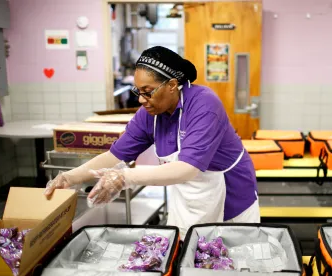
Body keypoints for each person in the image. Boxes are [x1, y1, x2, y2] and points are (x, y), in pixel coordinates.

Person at [44, 46, 260, 238]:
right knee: (190, 258)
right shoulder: (150, 112)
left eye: (147, 92)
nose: (140, 99)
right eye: (138, 91)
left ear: (173, 85)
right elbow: (115, 156)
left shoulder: (204, 104)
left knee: (227, 262)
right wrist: (70, 177)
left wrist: (125, 177)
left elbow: (187, 169)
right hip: (189, 195)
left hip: (229, 194)